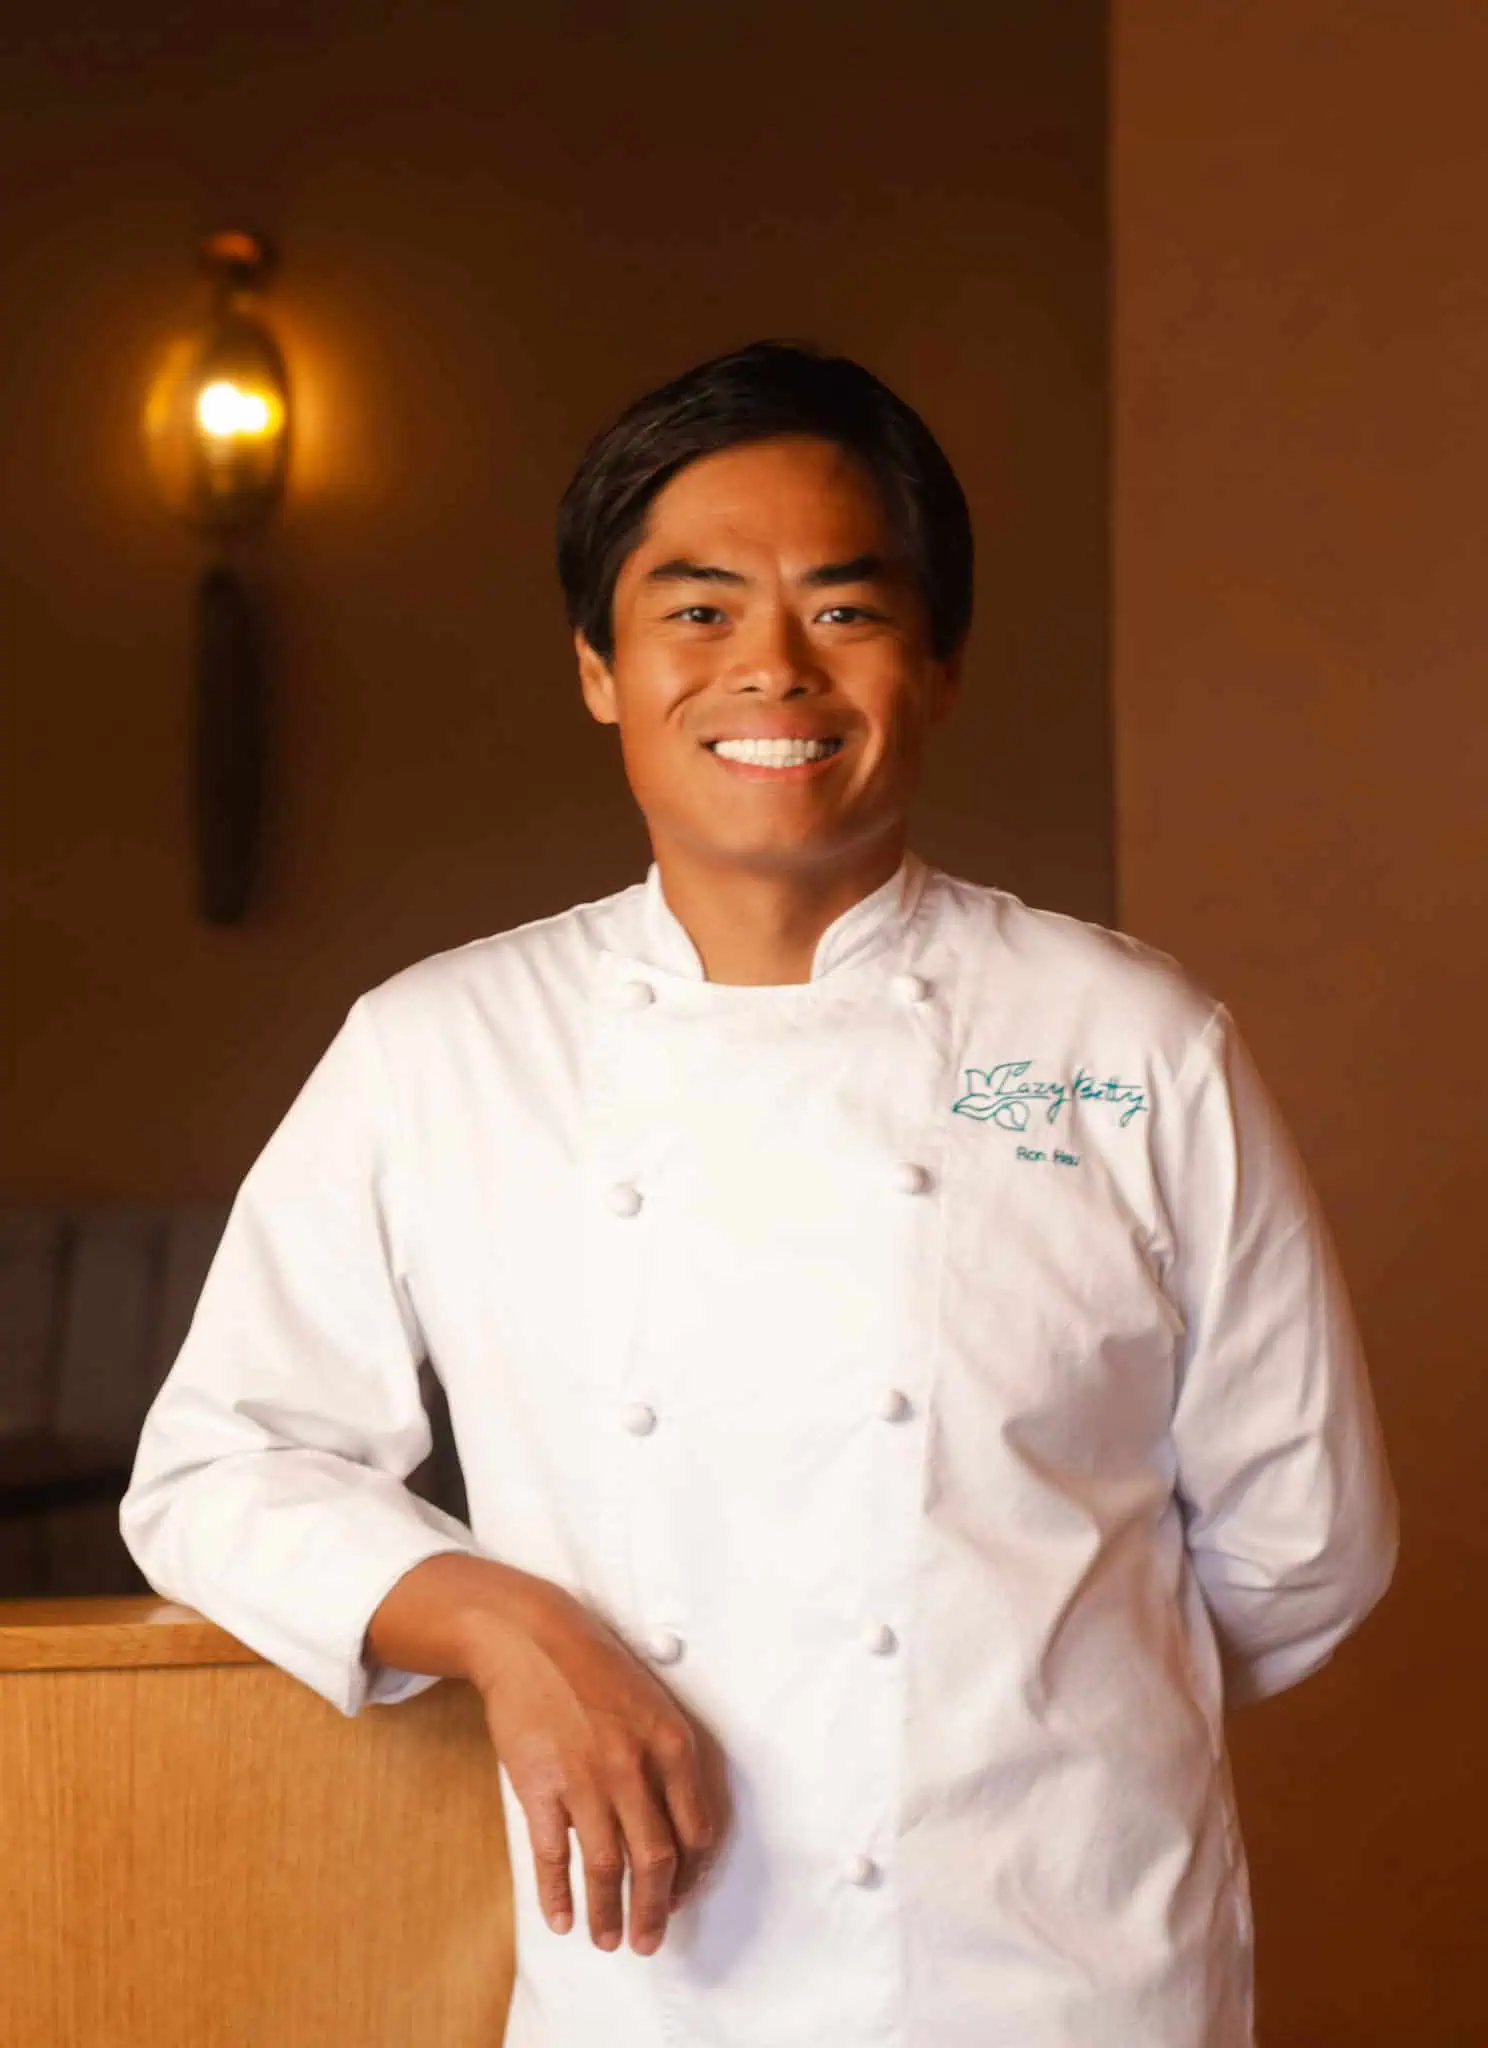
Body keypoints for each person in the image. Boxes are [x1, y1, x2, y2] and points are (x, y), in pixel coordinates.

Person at [120, 340, 1397, 2048]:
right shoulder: (444, 1049)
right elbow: (219, 1470)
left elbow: (1305, 1546)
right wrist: (507, 1624)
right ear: (600, 667)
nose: (774, 669)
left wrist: (1024, 1716)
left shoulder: (1126, 1042)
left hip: (1070, 1978)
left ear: (937, 665)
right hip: (657, 1988)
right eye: (700, 610)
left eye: (845, 610)